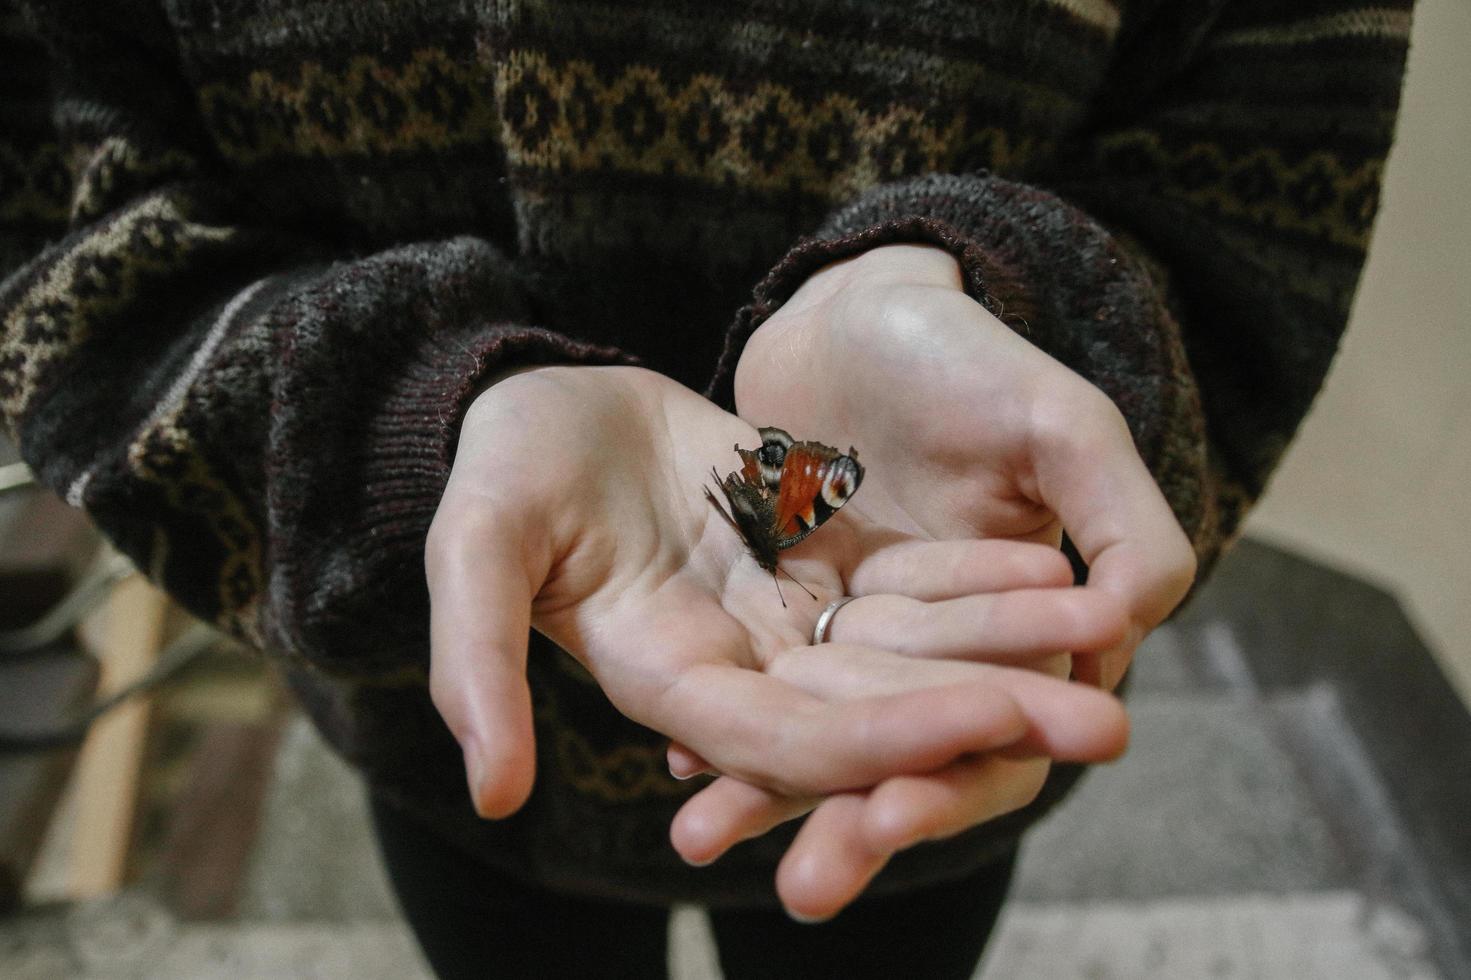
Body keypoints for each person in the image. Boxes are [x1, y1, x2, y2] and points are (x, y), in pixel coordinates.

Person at [0, 1, 1412, 977]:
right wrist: (414, 419)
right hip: (445, 710)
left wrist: (1000, 293)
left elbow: (1264, 154)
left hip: (925, 686)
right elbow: (71, 213)